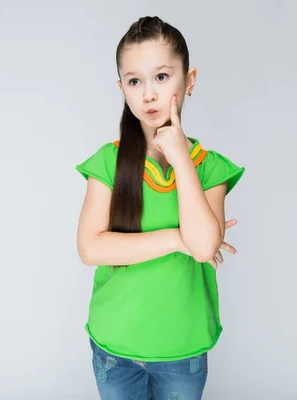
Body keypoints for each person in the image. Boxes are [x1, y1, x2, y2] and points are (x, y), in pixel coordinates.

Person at [75, 16, 246, 400]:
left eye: (162, 77)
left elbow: (202, 247)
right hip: (114, 345)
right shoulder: (108, 163)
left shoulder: (209, 167)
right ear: (122, 88)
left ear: (190, 79)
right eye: (135, 81)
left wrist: (180, 157)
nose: (148, 94)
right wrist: (176, 237)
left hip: (182, 348)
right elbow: (91, 248)